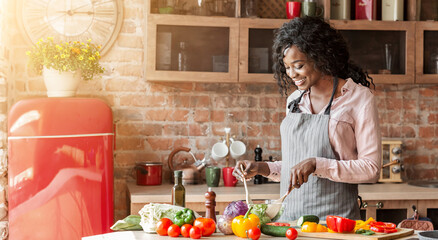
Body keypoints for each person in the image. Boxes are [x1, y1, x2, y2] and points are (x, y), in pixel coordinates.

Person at [233, 16, 382, 221]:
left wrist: (316, 164)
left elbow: (371, 169)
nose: (292, 74)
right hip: (290, 221)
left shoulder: (358, 98)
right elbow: (294, 167)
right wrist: (262, 168)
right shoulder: (295, 100)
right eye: (287, 67)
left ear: (320, 57)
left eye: (299, 65)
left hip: (336, 224)